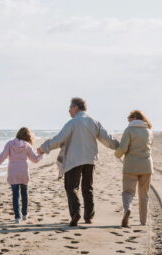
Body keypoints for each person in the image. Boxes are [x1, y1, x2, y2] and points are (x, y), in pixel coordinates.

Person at [37, 97, 119, 226]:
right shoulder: (94, 121)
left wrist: (44, 148)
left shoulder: (73, 122)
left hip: (74, 160)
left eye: (70, 108)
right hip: (90, 160)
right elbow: (107, 138)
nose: (69, 111)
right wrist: (119, 146)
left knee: (71, 187)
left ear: (75, 107)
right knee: (88, 188)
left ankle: (76, 213)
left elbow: (59, 139)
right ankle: (88, 216)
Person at [0, 127, 43, 223]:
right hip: (23, 171)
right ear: (28, 137)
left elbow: (3, 156)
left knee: (15, 194)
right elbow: (34, 160)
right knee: (24, 193)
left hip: (13, 171)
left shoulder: (10, 144)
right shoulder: (27, 146)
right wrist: (41, 154)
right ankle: (24, 214)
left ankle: (17, 217)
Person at [114, 110, 154, 228]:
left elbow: (123, 148)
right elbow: (150, 146)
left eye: (129, 120)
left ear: (134, 118)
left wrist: (117, 154)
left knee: (128, 192)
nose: (128, 123)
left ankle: (128, 209)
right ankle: (143, 221)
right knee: (144, 194)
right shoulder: (149, 131)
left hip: (131, 166)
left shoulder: (129, 130)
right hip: (147, 166)